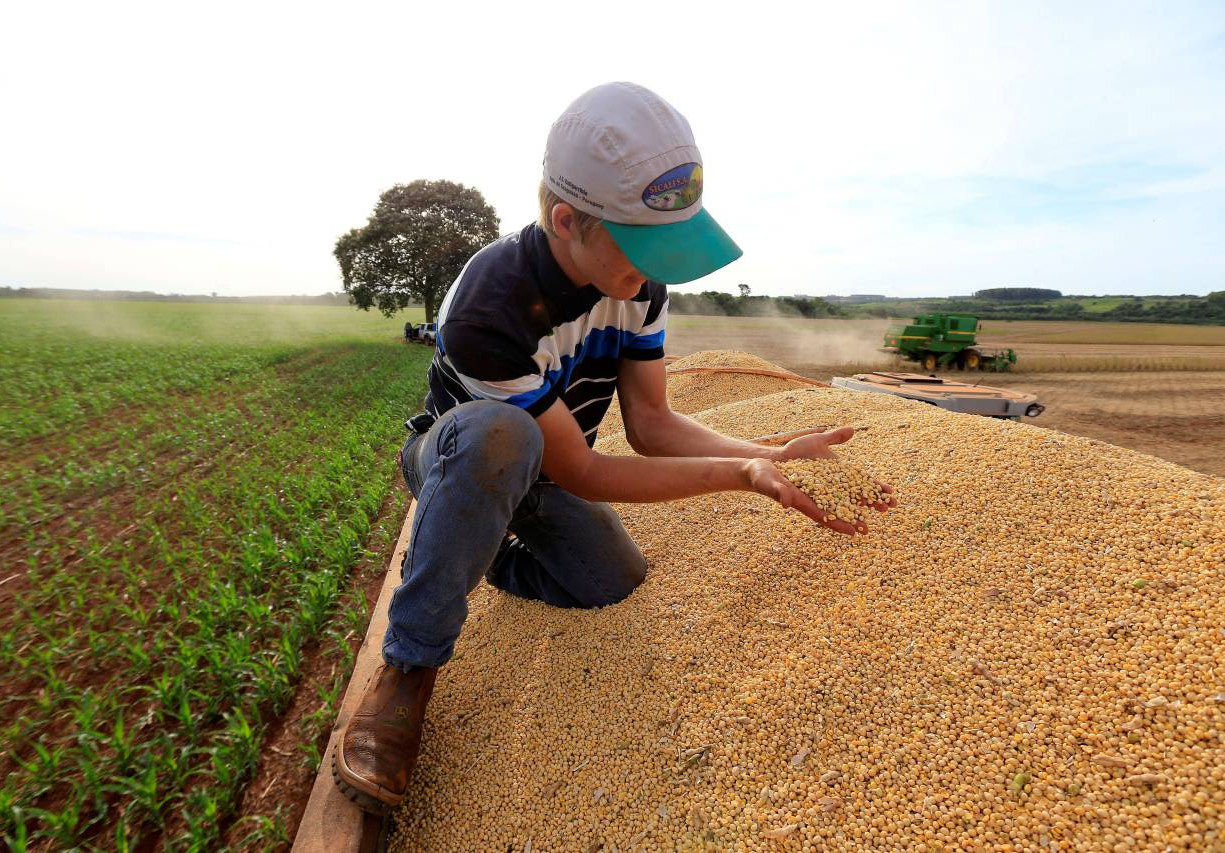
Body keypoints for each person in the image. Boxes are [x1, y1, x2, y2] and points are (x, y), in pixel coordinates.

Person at [333, 82, 895, 814]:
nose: (654, 268)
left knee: (610, 577)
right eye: (642, 246)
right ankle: (408, 665)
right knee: (502, 435)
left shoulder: (637, 288)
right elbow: (588, 468)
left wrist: (774, 453)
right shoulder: (489, 305)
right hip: (461, 454)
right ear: (568, 220)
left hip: (546, 469)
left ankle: (471, 551)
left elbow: (654, 423)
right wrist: (739, 476)